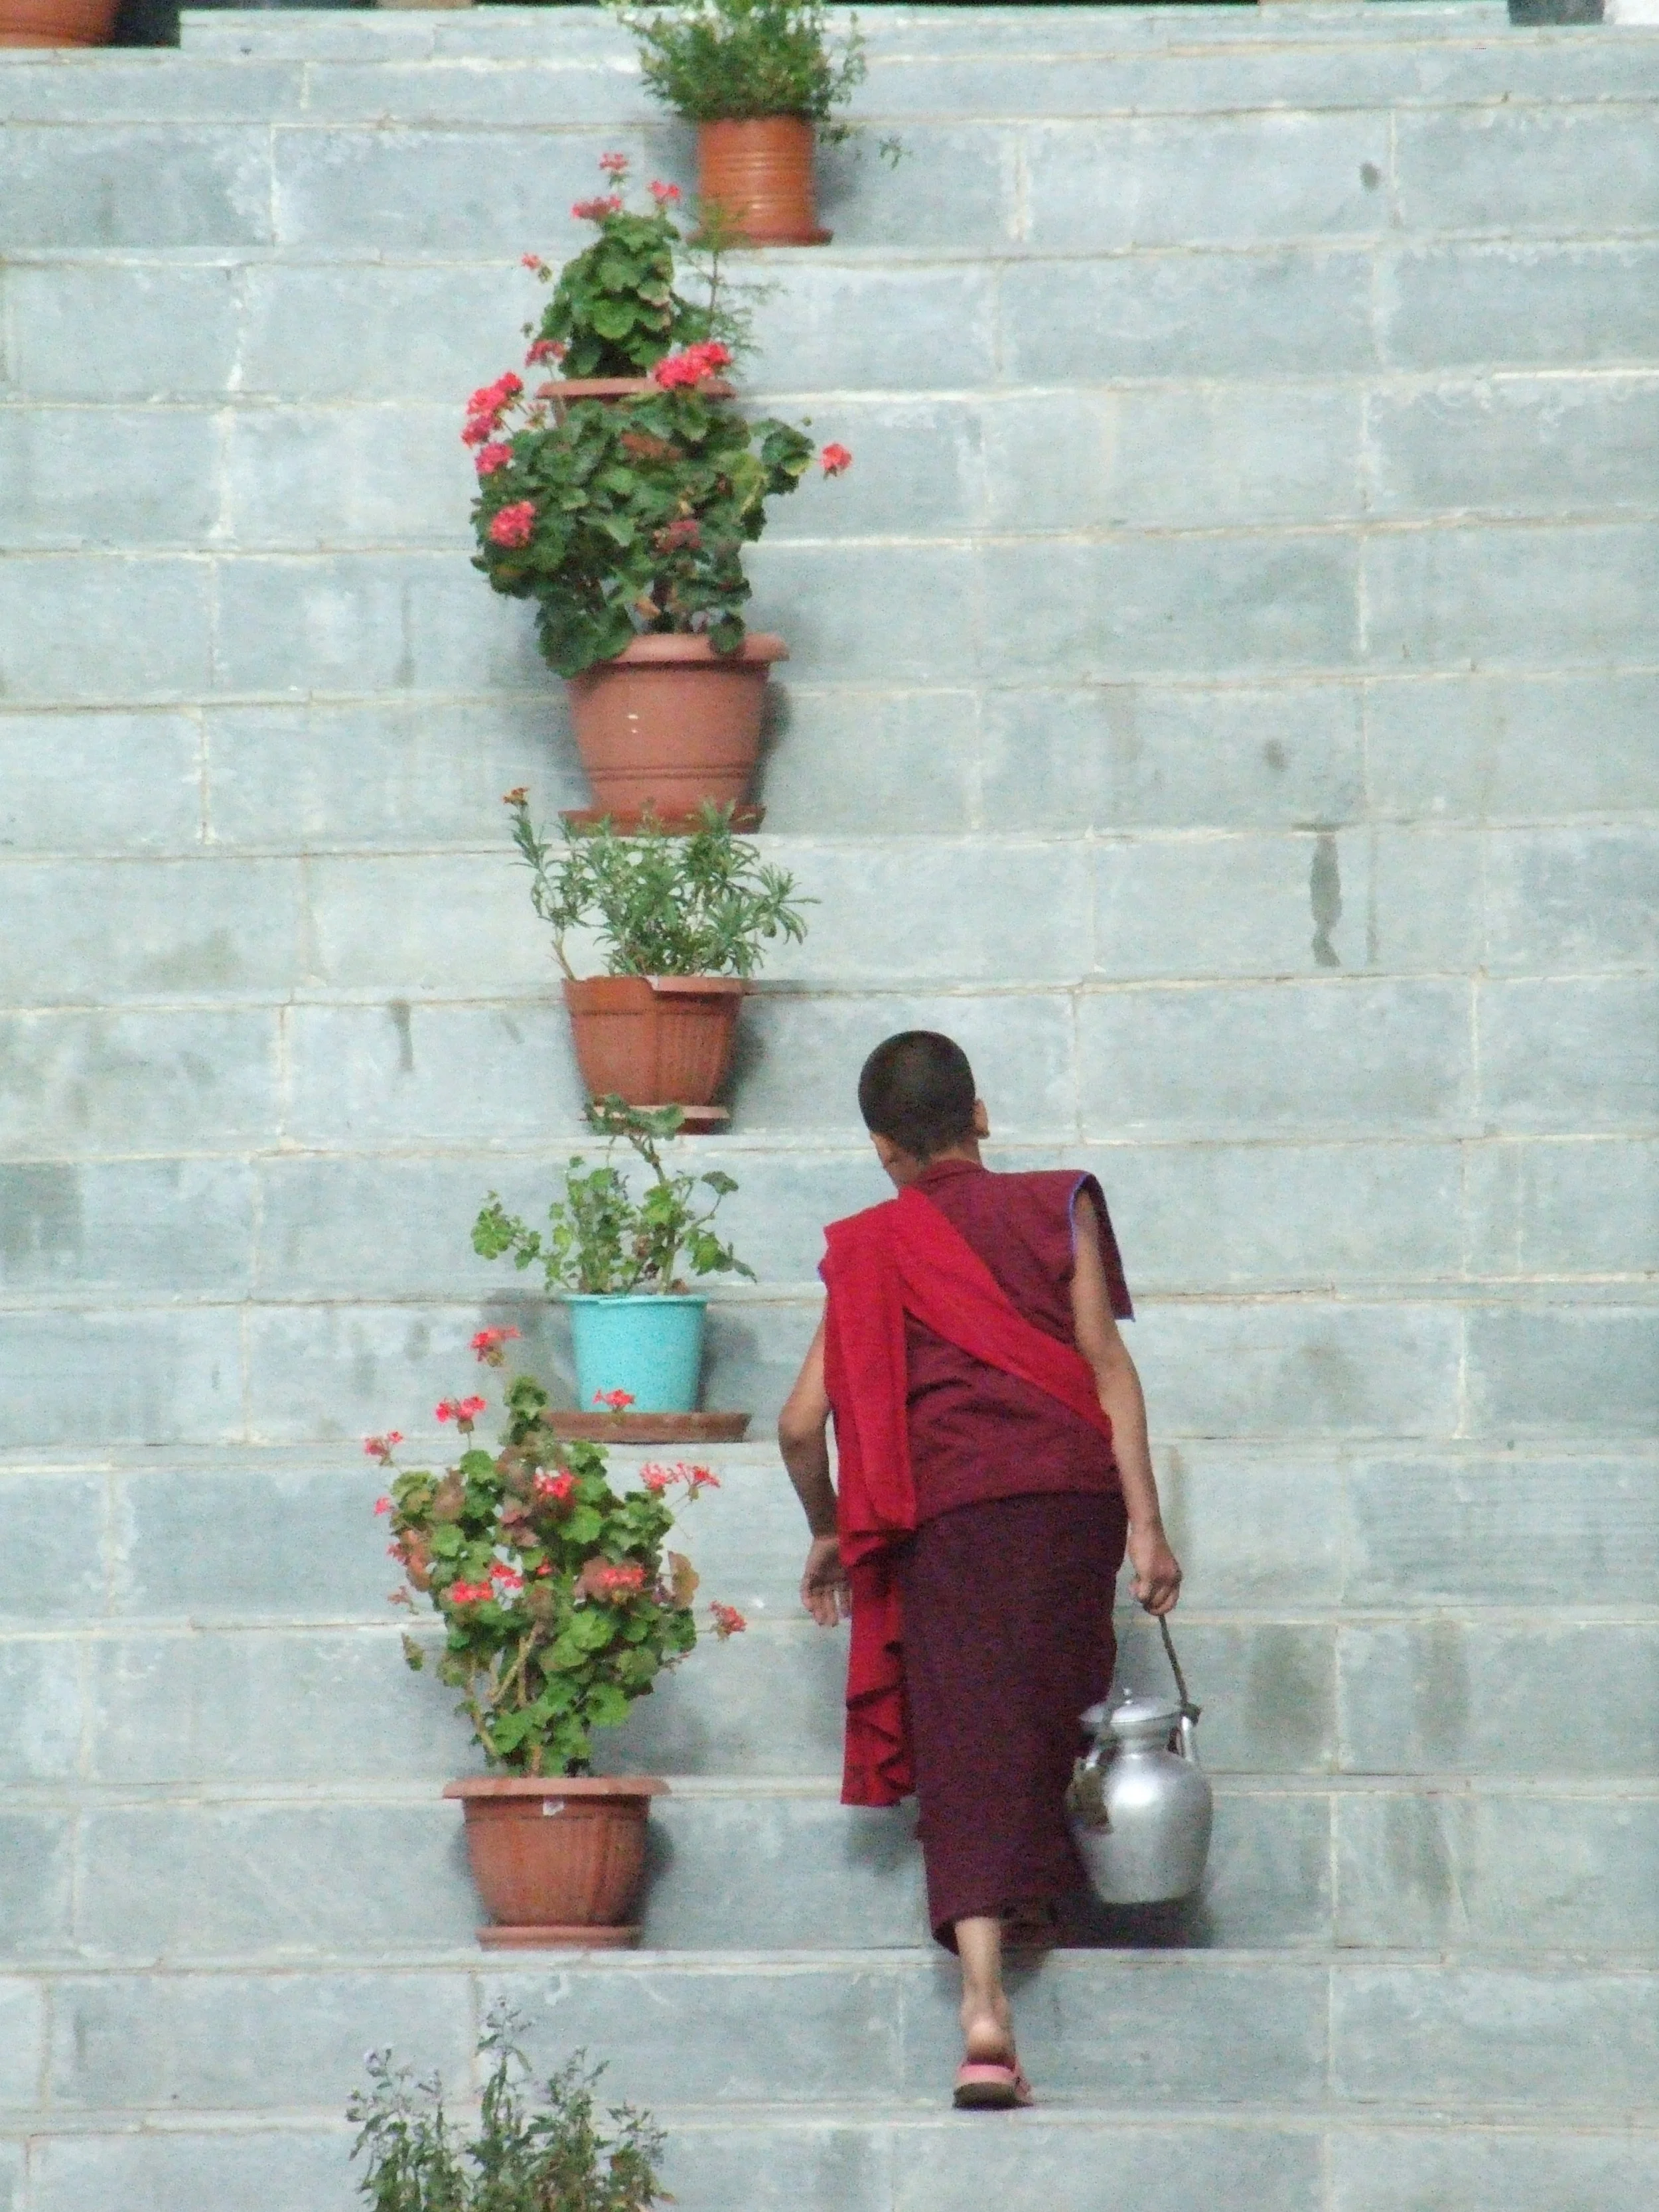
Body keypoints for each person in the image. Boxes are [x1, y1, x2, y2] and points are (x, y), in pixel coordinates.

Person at [776, 1031, 1183, 2110]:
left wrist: (830, 1525)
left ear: (880, 1148)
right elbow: (1108, 1369)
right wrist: (1147, 1527)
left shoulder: (874, 1246)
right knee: (1051, 1703)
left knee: (966, 1738)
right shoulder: (1062, 1205)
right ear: (983, 1116)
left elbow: (798, 1421)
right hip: (1070, 1505)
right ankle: (1040, 1901)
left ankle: (985, 2012)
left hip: (948, 1518)